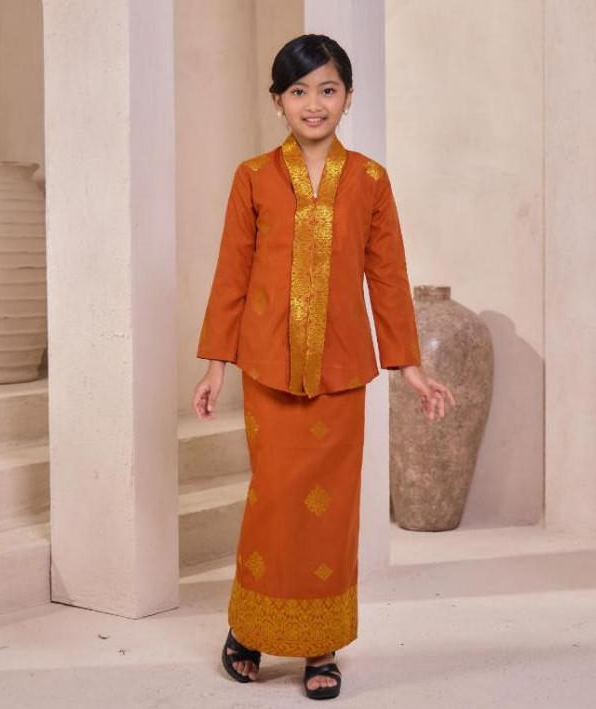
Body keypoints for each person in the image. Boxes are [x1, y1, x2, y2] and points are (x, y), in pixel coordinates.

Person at [192, 33, 456, 700]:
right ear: (277, 101)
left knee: (331, 511)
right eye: (299, 90)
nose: (314, 103)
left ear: (348, 97)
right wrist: (216, 364)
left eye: (327, 89)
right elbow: (231, 272)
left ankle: (320, 643)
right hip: (268, 369)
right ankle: (249, 630)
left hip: (341, 372)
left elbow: (388, 278)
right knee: (273, 500)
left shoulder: (369, 180)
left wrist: (409, 367)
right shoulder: (253, 177)